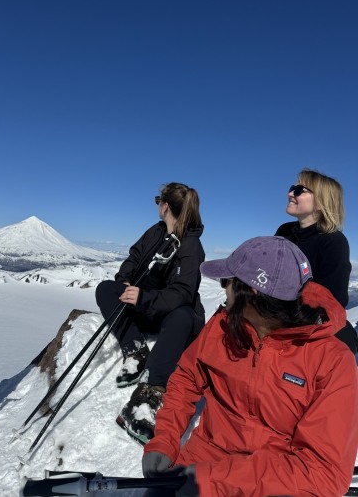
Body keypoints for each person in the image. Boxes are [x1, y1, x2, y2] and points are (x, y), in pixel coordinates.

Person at [142, 236, 358, 496]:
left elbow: (323, 472)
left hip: (275, 482)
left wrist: (214, 481)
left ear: (252, 292)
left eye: (227, 281)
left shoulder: (332, 362)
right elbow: (187, 378)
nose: (224, 289)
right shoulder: (222, 325)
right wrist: (163, 440)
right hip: (202, 460)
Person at [96, 182, 205, 444]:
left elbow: (183, 293)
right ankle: (136, 350)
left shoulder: (191, 245)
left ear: (165, 206)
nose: (157, 206)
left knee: (182, 315)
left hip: (170, 315)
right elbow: (134, 257)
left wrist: (144, 297)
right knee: (105, 289)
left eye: (158, 201)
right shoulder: (155, 232)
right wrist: (124, 280)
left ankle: (150, 391)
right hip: (145, 305)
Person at [275, 168, 357, 354]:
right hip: (274, 313)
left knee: (343, 341)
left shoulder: (333, 242)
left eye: (299, 190)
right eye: (292, 188)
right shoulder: (284, 231)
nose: (290, 193)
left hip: (305, 322)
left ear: (321, 202)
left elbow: (333, 302)